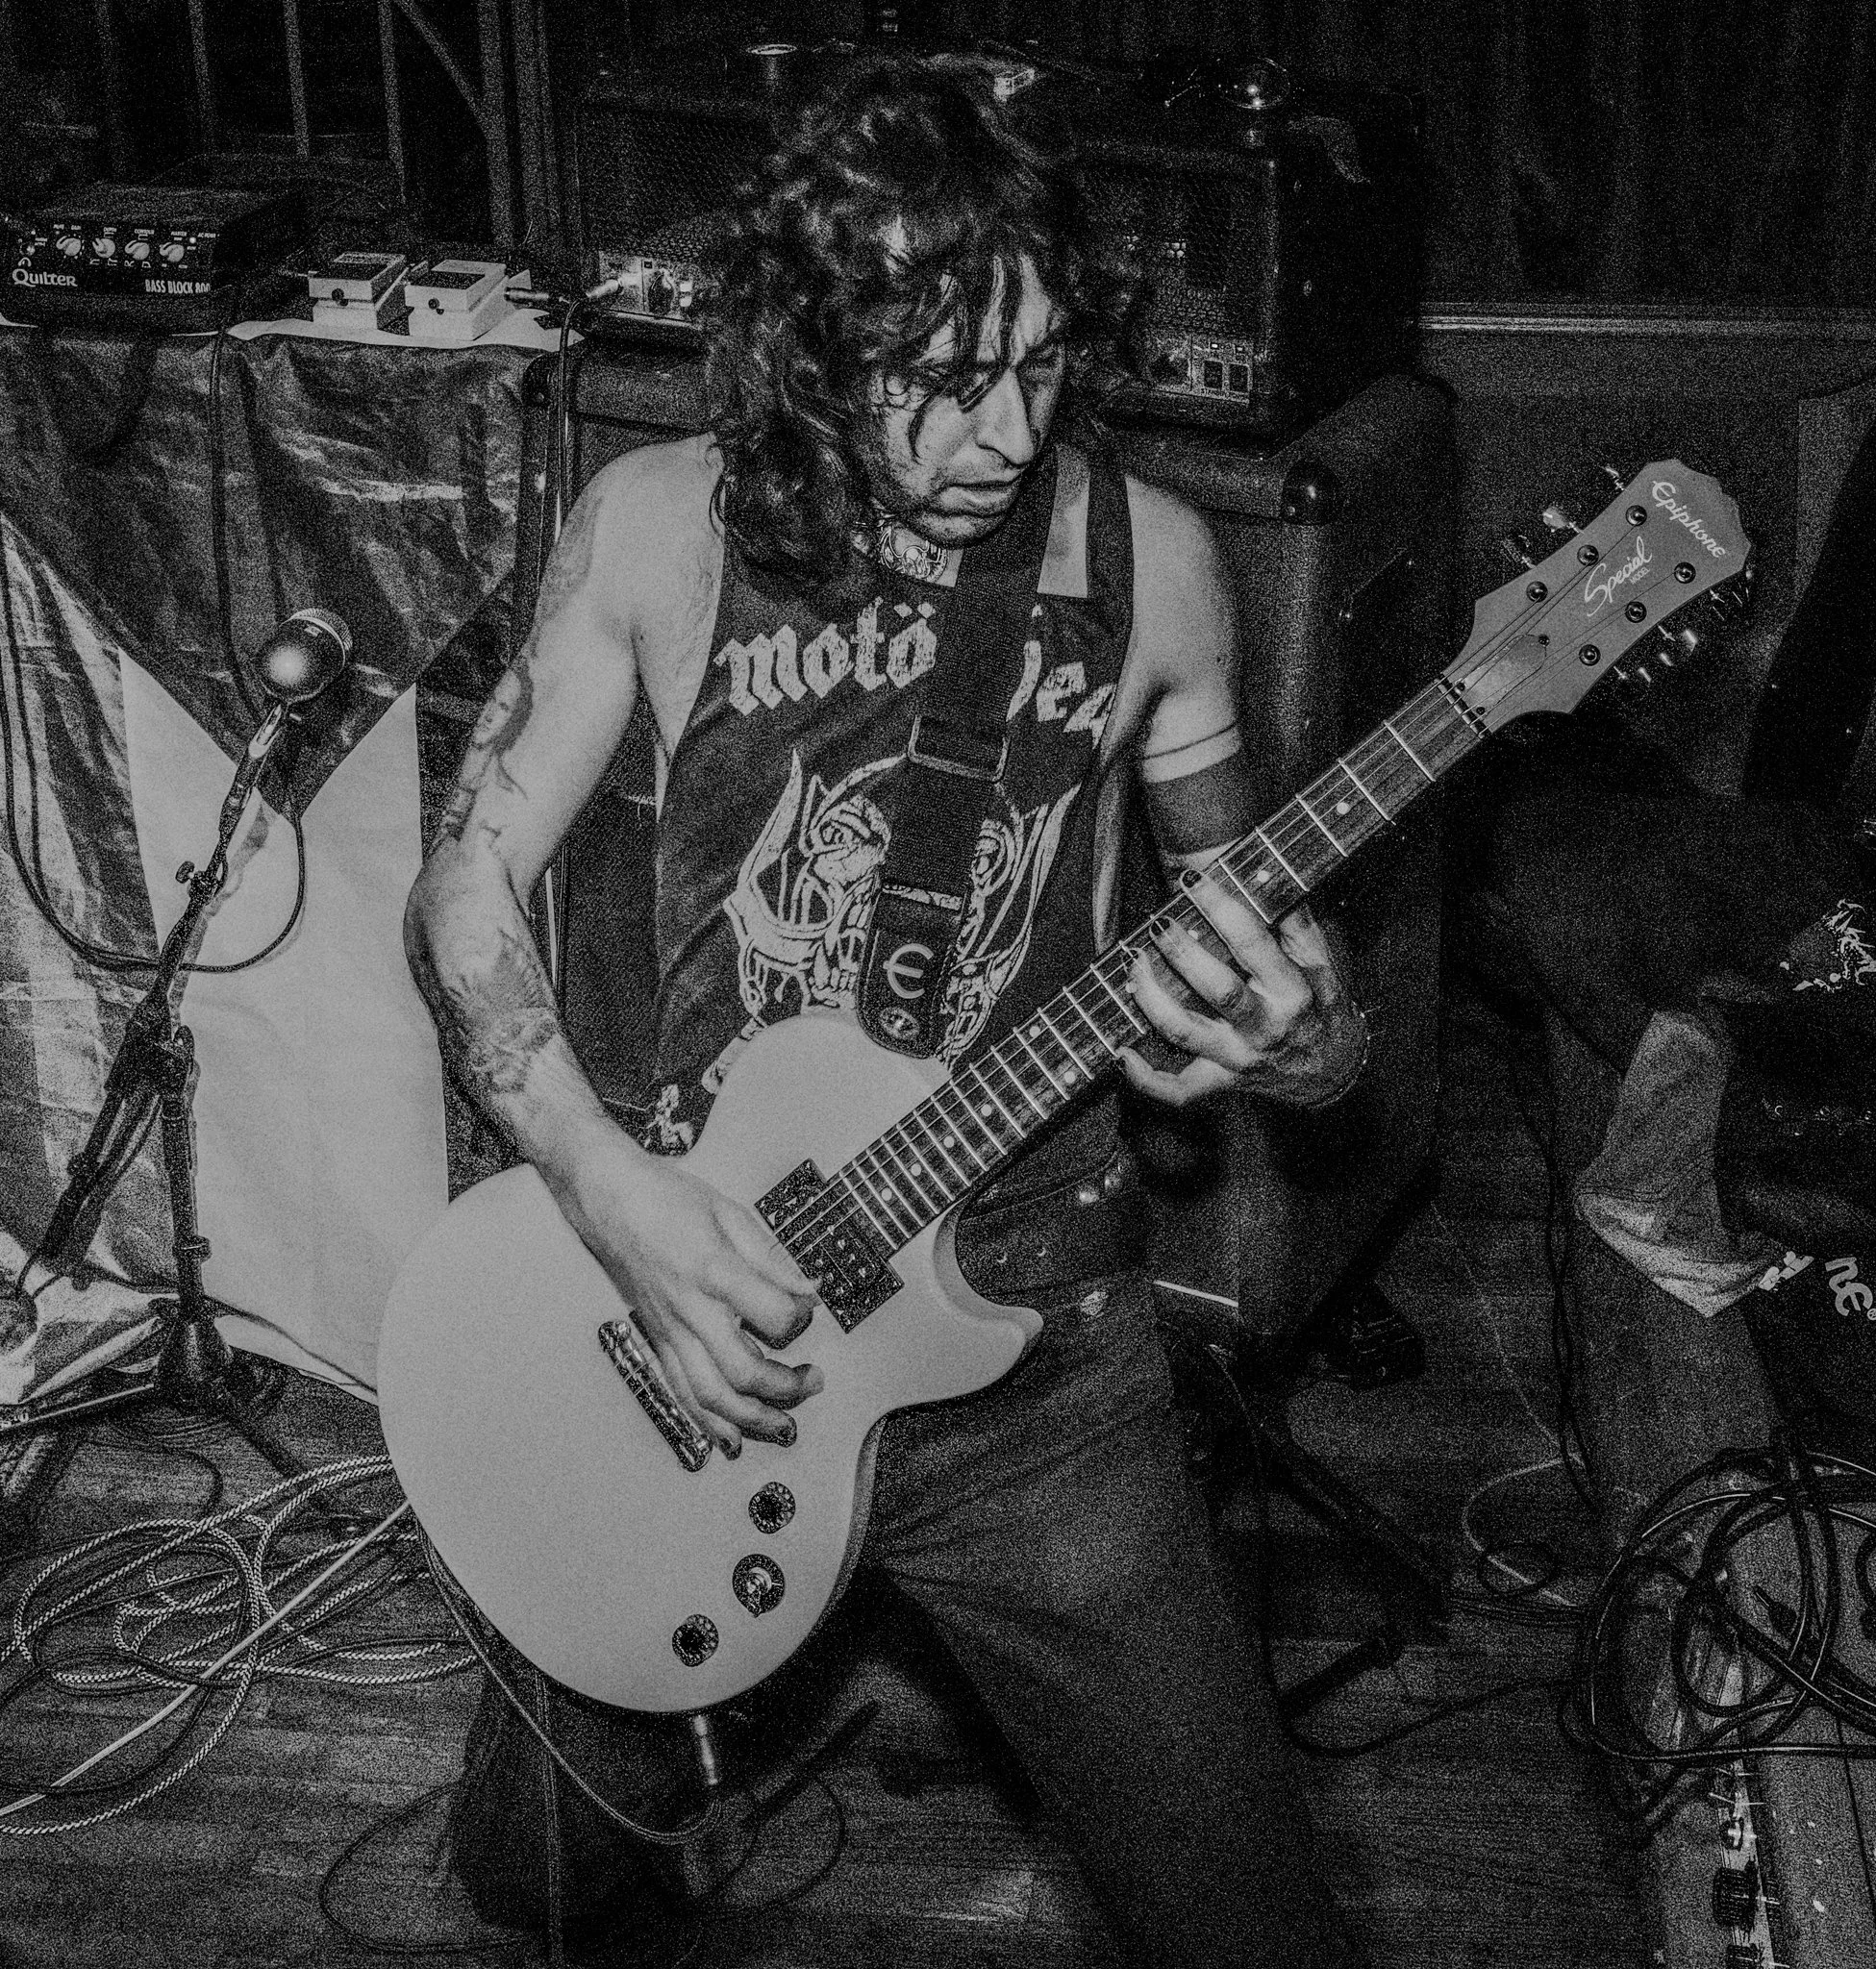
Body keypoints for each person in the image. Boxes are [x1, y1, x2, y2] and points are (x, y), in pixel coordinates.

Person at [405, 52, 1371, 1968]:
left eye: (1032, 371)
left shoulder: (1150, 572)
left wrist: (1283, 1025)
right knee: (540, 1881)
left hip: (1035, 1360)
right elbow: (464, 881)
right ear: (812, 348)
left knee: (1260, 1932)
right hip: (691, 1322)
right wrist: (602, 1183)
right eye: (934, 379)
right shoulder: (660, 528)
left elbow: (1287, 957)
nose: (997, 433)